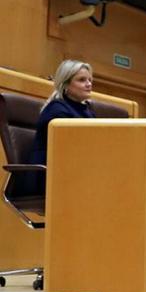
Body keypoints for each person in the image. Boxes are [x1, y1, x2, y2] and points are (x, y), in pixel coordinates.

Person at [29, 59, 96, 195]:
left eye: (90, 80)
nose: (89, 84)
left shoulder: (86, 111)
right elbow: (70, 150)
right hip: (48, 177)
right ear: (65, 84)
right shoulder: (57, 111)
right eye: (82, 80)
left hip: (72, 173)